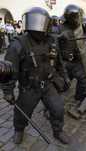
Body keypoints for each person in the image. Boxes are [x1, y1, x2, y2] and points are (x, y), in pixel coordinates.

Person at [2, 7, 70, 144]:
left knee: (58, 109)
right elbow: (10, 70)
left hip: (49, 84)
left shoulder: (51, 41)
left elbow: (59, 62)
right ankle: (19, 129)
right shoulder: (18, 44)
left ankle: (58, 131)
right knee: (22, 113)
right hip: (29, 87)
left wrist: (64, 77)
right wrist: (8, 91)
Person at [58, 4, 86, 102]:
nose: (77, 20)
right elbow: (50, 40)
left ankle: (80, 98)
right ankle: (52, 102)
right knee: (60, 83)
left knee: (83, 80)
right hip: (64, 62)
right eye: (75, 18)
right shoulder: (60, 28)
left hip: (77, 60)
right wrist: (60, 36)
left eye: (78, 17)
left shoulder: (81, 27)